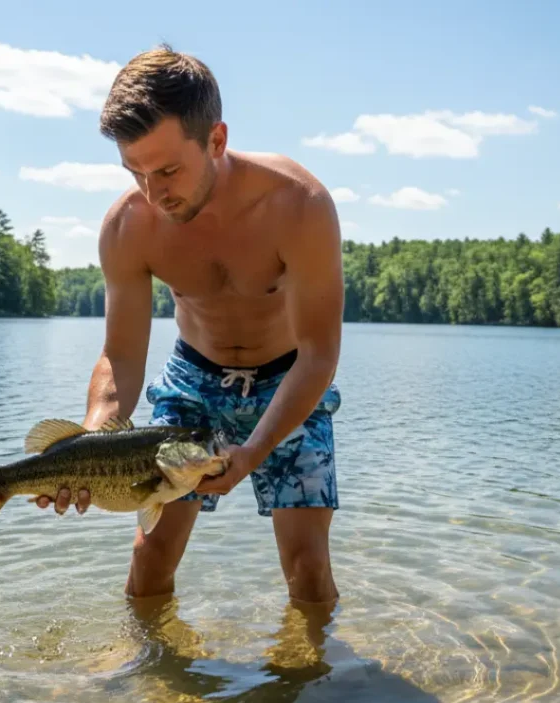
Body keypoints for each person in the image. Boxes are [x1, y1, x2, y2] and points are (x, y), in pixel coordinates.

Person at [34, 44, 345, 606]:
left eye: (169, 170)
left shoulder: (299, 205)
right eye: (136, 172)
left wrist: (251, 451)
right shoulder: (128, 226)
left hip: (291, 379)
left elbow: (319, 354)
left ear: (217, 140)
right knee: (148, 561)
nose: (153, 193)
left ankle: (310, 687)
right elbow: (122, 358)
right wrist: (88, 443)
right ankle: (151, 690)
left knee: (308, 571)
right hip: (193, 380)